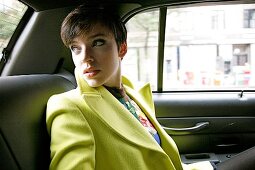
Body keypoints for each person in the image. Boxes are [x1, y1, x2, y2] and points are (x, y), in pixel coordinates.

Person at [46, 2, 255, 170]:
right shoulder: (69, 106)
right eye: (76, 48)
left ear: (122, 48)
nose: (86, 58)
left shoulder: (133, 93)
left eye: (98, 42)